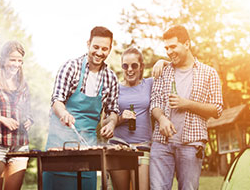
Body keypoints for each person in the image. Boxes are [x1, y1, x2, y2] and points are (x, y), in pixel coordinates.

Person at [43, 26, 120, 190]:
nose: (99, 52)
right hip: (59, 146)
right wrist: (63, 113)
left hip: (87, 149)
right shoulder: (71, 67)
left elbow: (113, 110)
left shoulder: (111, 78)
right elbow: (57, 100)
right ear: (88, 44)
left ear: (110, 49)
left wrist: (111, 123)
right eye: (96, 47)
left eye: (105, 49)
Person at [149, 25, 223, 190]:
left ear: (187, 44)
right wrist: (161, 119)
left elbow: (217, 109)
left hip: (192, 143)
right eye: (166, 48)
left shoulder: (209, 73)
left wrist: (187, 104)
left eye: (173, 46)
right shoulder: (163, 71)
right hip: (162, 143)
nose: (169, 51)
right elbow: (154, 103)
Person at [0, 41, 33, 190]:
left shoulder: (23, 85)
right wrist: (0, 119)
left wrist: (29, 121)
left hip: (20, 145)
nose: (16, 64)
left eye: (19, 61)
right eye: (13, 59)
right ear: (3, 60)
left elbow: (29, 113)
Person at [109, 47, 153, 190]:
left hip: (142, 146)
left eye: (134, 65)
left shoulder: (149, 84)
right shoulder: (115, 89)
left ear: (141, 67)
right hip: (119, 145)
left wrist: (161, 63)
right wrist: (121, 118)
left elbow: (171, 70)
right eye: (125, 66)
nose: (130, 69)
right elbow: (104, 122)